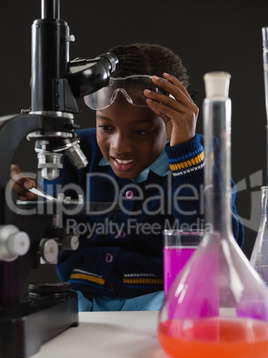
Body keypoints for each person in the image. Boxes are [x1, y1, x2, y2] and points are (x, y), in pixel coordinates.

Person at [10, 43, 244, 311]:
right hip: (82, 302)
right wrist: (24, 204)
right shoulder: (74, 150)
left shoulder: (199, 156)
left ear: (171, 121)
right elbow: (49, 231)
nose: (119, 146)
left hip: (167, 302)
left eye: (141, 132)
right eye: (106, 127)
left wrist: (185, 155)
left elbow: (224, 250)